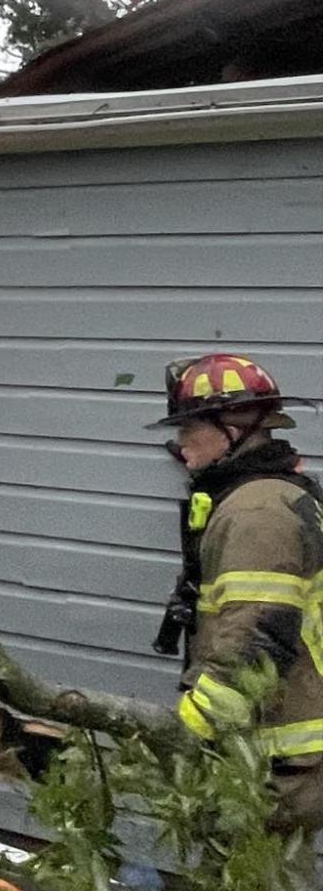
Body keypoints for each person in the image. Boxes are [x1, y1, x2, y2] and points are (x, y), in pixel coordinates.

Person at [151, 352, 323, 832]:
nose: (181, 444)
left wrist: (187, 734)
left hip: (274, 759)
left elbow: (254, 641)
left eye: (190, 429)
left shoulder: (256, 513)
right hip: (288, 750)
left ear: (235, 426)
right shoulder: (277, 494)